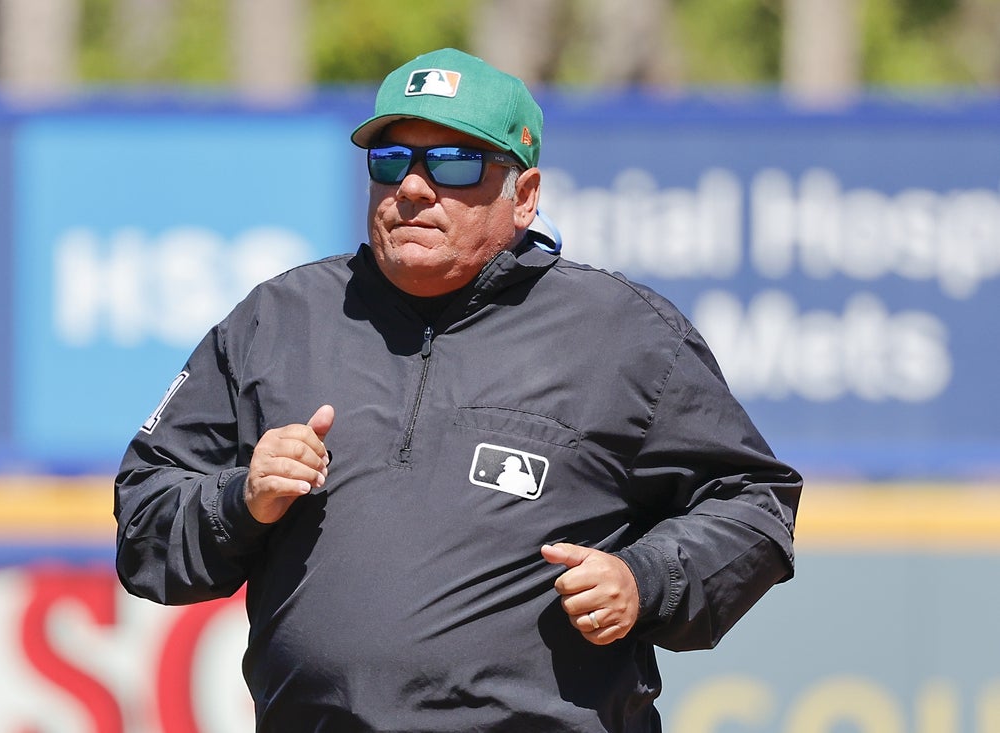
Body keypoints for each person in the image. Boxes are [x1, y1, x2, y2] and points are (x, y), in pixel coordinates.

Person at [114, 47, 802, 732]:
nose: (413, 187)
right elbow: (146, 519)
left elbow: (755, 503)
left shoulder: (622, 333)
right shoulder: (279, 320)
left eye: (454, 162)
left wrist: (645, 580)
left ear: (523, 196)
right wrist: (241, 499)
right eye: (391, 161)